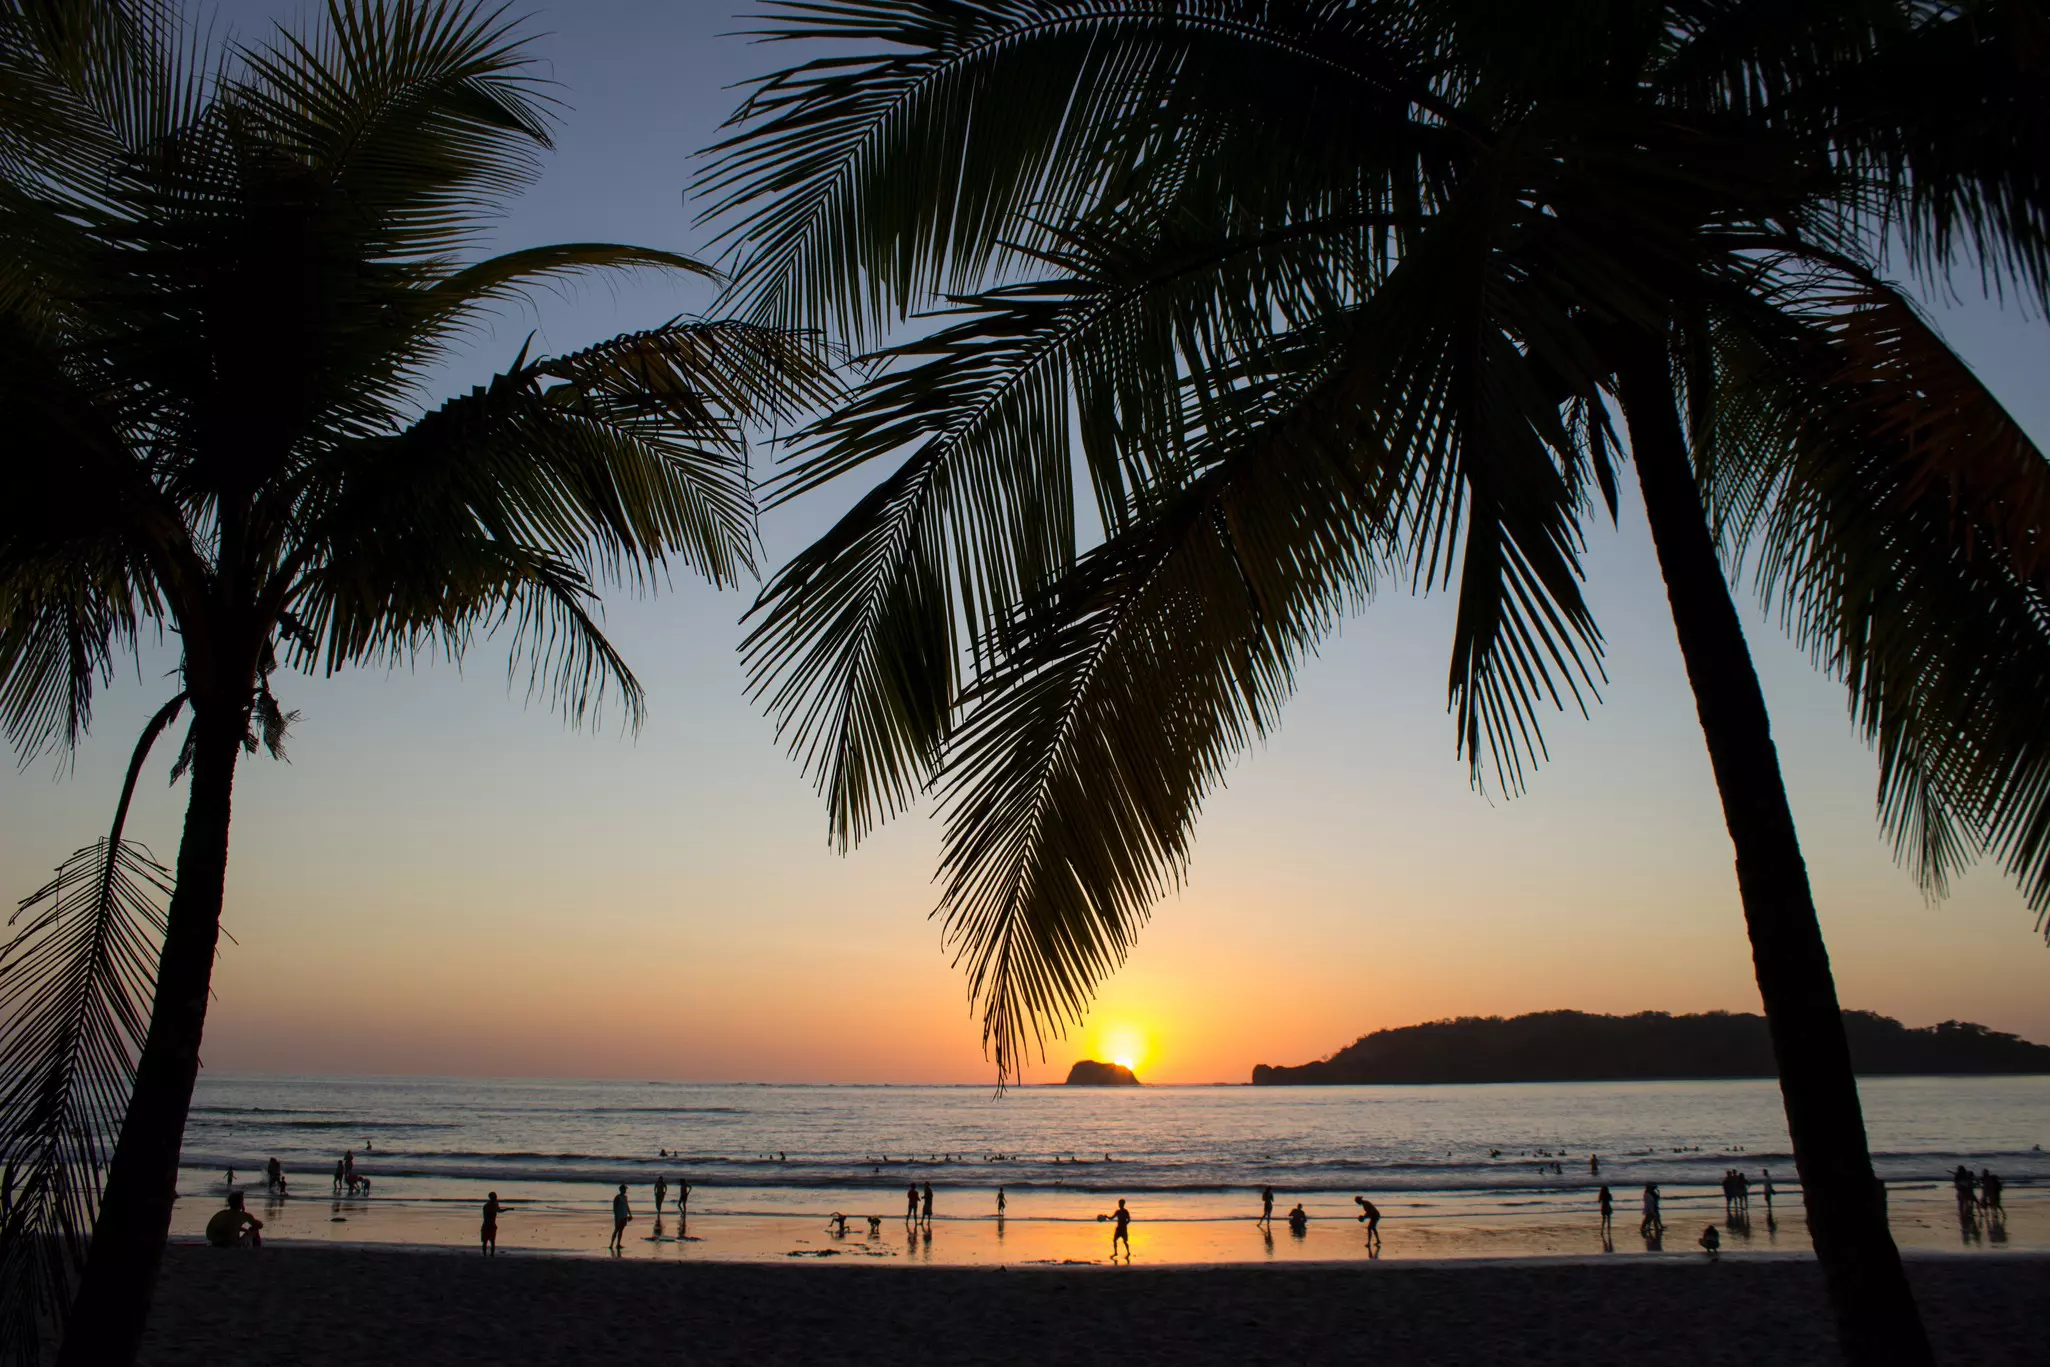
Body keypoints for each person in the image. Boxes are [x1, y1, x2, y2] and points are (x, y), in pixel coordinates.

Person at [609, 1184, 632, 1253]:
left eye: (625, 1189)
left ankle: (618, 1244)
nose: (625, 1190)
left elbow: (627, 1206)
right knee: (616, 1230)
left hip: (624, 1216)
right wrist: (616, 1217)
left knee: (621, 1230)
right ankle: (611, 1244)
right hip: (619, 1216)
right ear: (620, 1189)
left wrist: (630, 1214)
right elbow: (615, 1208)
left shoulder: (625, 1197)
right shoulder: (617, 1197)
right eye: (624, 1189)